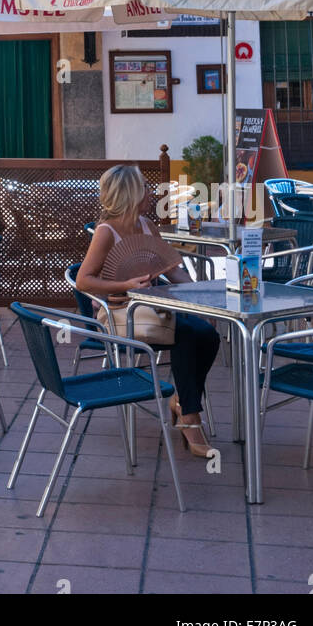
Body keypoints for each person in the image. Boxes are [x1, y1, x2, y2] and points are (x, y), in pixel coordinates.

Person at [76, 164, 219, 457]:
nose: (151, 192)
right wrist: (126, 284)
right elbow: (83, 280)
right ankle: (190, 418)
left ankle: (183, 402)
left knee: (208, 334)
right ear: (131, 193)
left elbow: (172, 269)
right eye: (145, 186)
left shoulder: (146, 225)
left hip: (151, 310)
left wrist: (200, 296)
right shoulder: (105, 232)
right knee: (186, 336)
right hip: (118, 315)